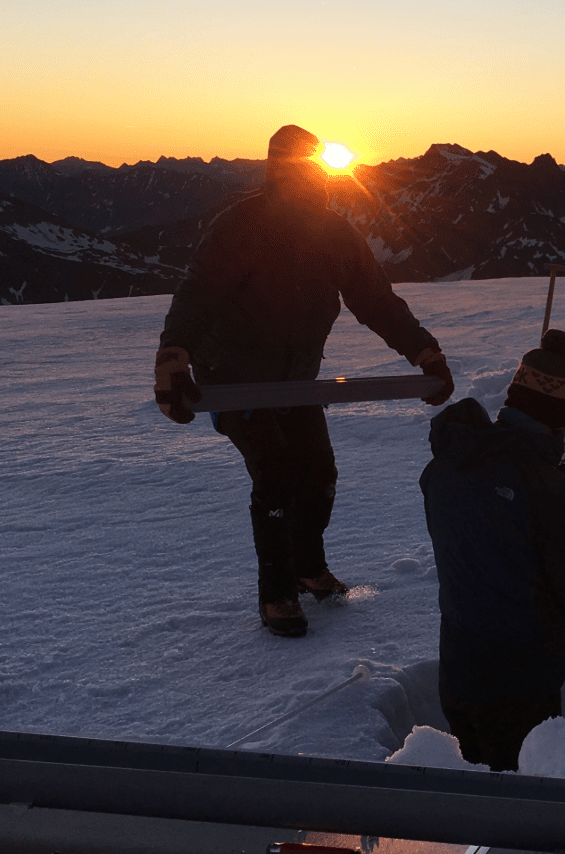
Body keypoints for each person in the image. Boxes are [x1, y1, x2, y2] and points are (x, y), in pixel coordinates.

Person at [155, 124, 455, 638]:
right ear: (276, 169)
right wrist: (174, 362)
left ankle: (306, 565)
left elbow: (376, 301)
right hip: (232, 378)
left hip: (296, 380)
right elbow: (198, 295)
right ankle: (277, 594)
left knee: (318, 472)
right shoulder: (240, 228)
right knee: (274, 473)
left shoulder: (334, 233)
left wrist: (424, 352)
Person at [420, 329, 565, 770]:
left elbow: (494, 526)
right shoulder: (550, 493)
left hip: (457, 668)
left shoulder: (447, 464)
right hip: (520, 685)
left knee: (476, 801)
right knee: (517, 809)